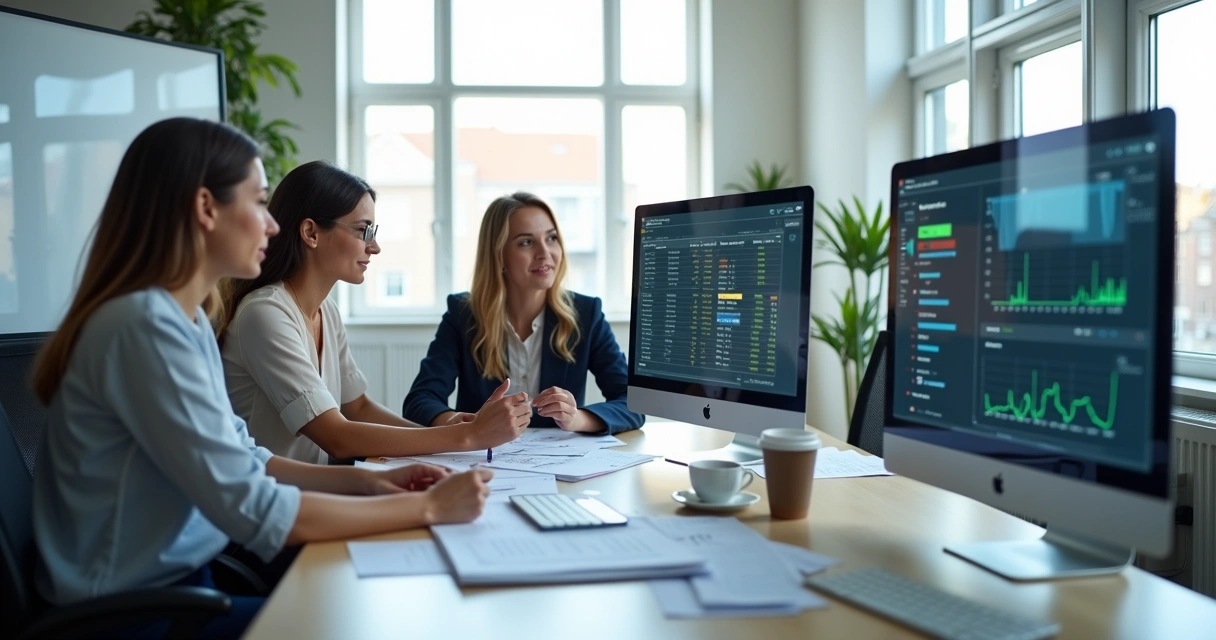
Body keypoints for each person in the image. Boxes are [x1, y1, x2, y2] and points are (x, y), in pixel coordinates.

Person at [30, 119, 493, 639]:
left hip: (178, 587)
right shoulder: (144, 329)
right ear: (207, 209)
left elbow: (251, 459)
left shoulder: (183, 321)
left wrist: (373, 481)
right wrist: (426, 505)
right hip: (132, 615)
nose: (272, 226)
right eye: (257, 203)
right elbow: (257, 507)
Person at [217, 161, 530, 464]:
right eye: (363, 231)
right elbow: (336, 437)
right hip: (272, 503)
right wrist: (468, 436)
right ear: (311, 233)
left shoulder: (326, 310)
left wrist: (452, 432)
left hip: (310, 492)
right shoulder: (265, 314)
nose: (375, 246)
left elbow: (358, 407)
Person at [403, 192, 645, 435]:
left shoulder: (586, 314)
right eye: (526, 242)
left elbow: (633, 402)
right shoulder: (463, 314)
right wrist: (468, 425)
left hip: (562, 465)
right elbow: (420, 401)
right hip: (482, 463)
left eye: (551, 238)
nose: (545, 253)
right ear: (499, 256)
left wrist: (577, 419)